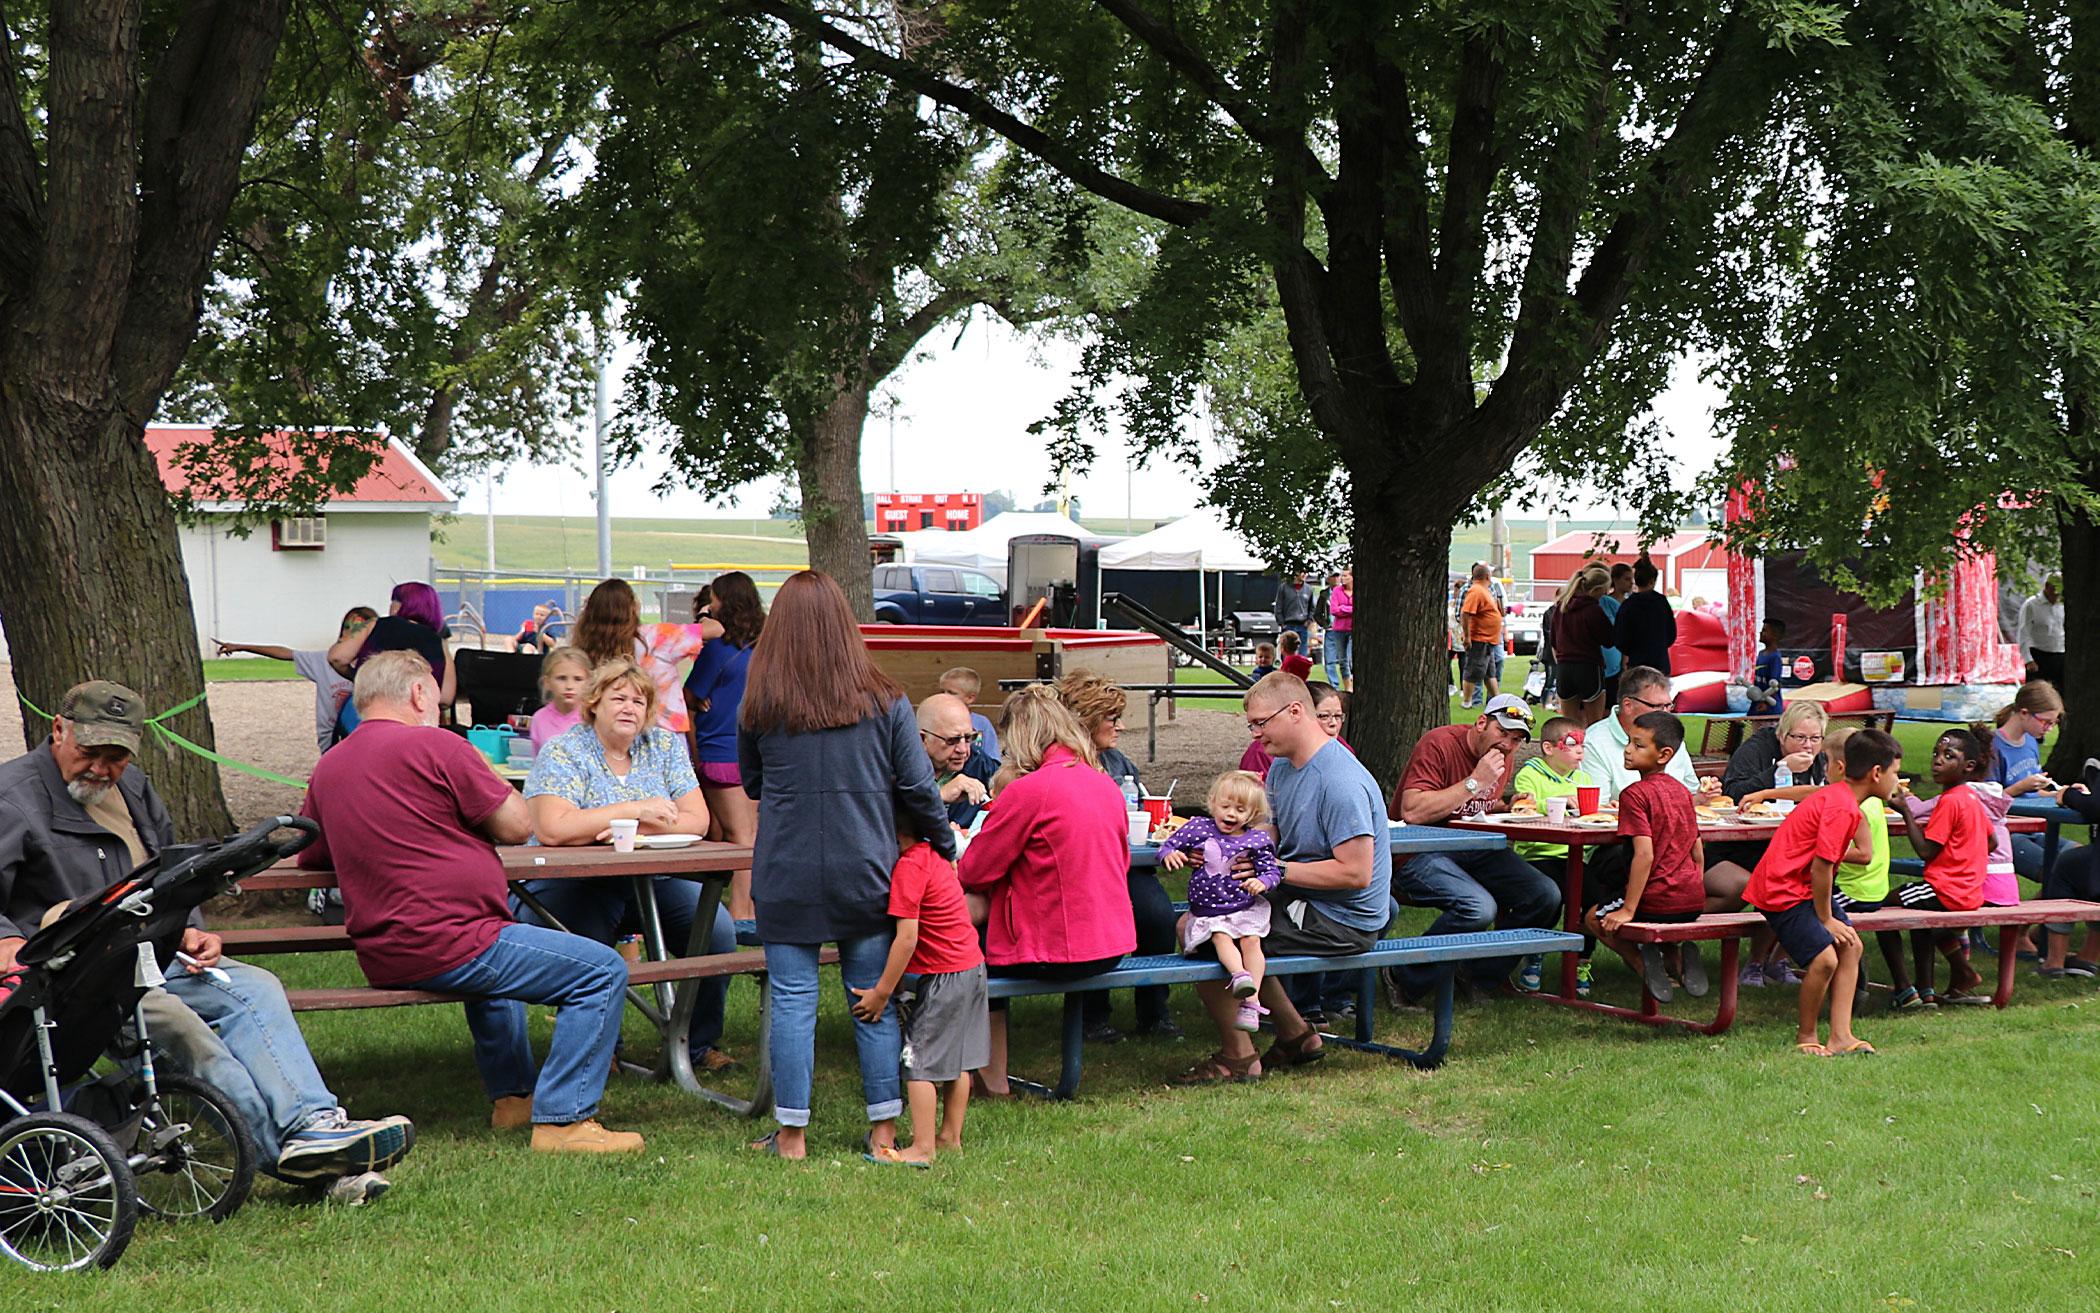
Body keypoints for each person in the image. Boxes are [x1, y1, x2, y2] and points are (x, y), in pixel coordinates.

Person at [0, 680, 414, 1201]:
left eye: (117, 757)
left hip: (151, 949)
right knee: (192, 1037)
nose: (102, 769)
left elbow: (172, 869)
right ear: (58, 730)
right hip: (80, 975)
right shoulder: (12, 797)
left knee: (257, 988)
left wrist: (190, 924)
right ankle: (304, 1161)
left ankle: (317, 1123)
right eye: (90, 752)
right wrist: (7, 939)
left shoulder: (134, 790)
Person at [301, 652, 641, 1154]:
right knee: (602, 971)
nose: (438, 704)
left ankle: (514, 1100)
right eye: (435, 694)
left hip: (384, 948)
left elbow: (312, 852)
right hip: (456, 939)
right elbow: (517, 825)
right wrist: (482, 772)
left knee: (495, 970)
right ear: (418, 694)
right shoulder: (439, 745)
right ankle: (565, 1121)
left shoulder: (330, 766)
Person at [739, 570, 954, 1160]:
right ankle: (883, 1129)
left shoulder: (761, 703)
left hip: (786, 869)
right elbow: (917, 785)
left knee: (791, 999)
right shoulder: (886, 701)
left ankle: (791, 1136)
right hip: (868, 868)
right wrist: (944, 843)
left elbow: (754, 785)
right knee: (871, 997)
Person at [521, 659, 736, 1073]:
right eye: (618, 698)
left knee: (716, 931)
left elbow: (697, 820)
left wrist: (615, 824)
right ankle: (603, 1049)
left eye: (639, 701)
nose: (629, 708)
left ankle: (695, 1044)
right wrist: (636, 809)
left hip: (650, 878)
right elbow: (553, 828)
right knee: (592, 942)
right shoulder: (564, 750)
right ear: (594, 703)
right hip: (573, 883)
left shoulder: (664, 746)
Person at [1177, 674, 1392, 1083]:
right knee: (1216, 921)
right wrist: (1223, 850)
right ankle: (1295, 1036)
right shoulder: (1282, 768)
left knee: (1200, 931)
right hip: (1303, 900)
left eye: (1261, 723)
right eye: (1251, 726)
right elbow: (1272, 836)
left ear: (1295, 712)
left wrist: (1276, 871)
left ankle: (1238, 1057)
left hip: (1344, 920)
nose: (1256, 735)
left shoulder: (1340, 781)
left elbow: (1356, 872)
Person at [959, 685, 1135, 1096]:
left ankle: (991, 1075)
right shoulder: (1104, 784)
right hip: (1110, 944)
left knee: (971, 941)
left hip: (1057, 950)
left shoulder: (1029, 790)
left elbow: (975, 868)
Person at [1740, 728, 1901, 1056]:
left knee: (1851, 947)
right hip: (1782, 891)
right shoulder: (1843, 807)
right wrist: (1826, 919)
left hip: (1801, 889)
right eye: (1896, 773)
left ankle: (1842, 1035)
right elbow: (1821, 868)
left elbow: (1811, 794)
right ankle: (1807, 1036)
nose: (1897, 782)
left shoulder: (1844, 797)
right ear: (1876, 773)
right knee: (1825, 958)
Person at [1391, 694, 1562, 995]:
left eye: (1516, 739)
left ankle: (1474, 975)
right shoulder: (1439, 744)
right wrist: (1474, 781)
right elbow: (1413, 811)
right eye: (1502, 733)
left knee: (1544, 894)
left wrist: (1505, 805)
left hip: (1469, 846)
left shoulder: (1501, 758)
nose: (1507, 745)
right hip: (1417, 848)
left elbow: (1474, 805)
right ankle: (1404, 976)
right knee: (1479, 908)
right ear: (1481, 722)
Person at [1055, 671, 1179, 1040]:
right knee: (1095, 916)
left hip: (1129, 865)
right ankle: (1092, 1015)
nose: (1121, 726)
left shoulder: (1119, 764)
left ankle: (1154, 1011)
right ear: (1086, 719)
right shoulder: (1060, 763)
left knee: (1158, 916)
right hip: (1082, 872)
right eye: (1112, 718)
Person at [851, 836, 989, 1167]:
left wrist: (882, 992)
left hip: (944, 977)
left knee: (918, 1063)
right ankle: (950, 1138)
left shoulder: (909, 868)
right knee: (958, 1061)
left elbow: (907, 939)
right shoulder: (935, 856)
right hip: (973, 967)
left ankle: (922, 1148)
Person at [1588, 713, 1711, 1002]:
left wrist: (1629, 909)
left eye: (1638, 745)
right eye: (1629, 742)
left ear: (1664, 754)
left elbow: (1644, 855)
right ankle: (1677, 961)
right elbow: (1697, 850)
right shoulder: (1682, 792)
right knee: (1662, 914)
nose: (1628, 750)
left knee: (1594, 918)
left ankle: (1646, 966)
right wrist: (1694, 887)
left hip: (1657, 899)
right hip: (1692, 901)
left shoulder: (1634, 795)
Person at [1158, 771, 1283, 1031]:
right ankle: (1239, 975)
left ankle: (1252, 1001)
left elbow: (1270, 871)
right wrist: (1170, 855)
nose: (1231, 814)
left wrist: (1263, 882)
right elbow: (1169, 844)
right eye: (1225, 806)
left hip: (1244, 906)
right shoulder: (1199, 828)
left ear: (1252, 815)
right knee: (1220, 935)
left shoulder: (1257, 840)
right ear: (1213, 802)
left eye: (1240, 809)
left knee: (1252, 941)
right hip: (1210, 911)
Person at [1890, 728, 1995, 1005]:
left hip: (1945, 890)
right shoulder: (1971, 798)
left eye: (1949, 756)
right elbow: (1992, 842)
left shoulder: (1949, 802)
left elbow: (1925, 850)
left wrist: (1906, 813)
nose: (1937, 761)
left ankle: (1906, 989)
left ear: (1968, 766)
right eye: (1935, 754)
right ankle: (1927, 990)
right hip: (1970, 890)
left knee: (1883, 907)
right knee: (1920, 919)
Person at [685, 572, 765, 916]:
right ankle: (748, 908)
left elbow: (689, 695)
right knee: (751, 835)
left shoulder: (717, 649)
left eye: (714, 599)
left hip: (719, 752)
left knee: (738, 838)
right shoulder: (764, 646)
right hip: (756, 754)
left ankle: (739, 912)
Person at [1819, 725, 1911, 1005]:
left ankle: (1768, 964)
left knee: (1803, 903)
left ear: (1838, 767)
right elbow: (1811, 792)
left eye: (1824, 763)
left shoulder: (1856, 805)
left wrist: (1827, 850)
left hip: (1856, 890)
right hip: (1873, 889)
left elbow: (1864, 855)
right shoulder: (1869, 799)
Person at [213, 605, 375, 753]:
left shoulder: (377, 665)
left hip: (363, 736)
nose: (349, 635)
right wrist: (241, 647)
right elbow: (286, 653)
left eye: (358, 630)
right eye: (347, 628)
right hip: (331, 739)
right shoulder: (322, 661)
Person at [1510, 716, 1592, 995]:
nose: (1580, 751)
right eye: (1571, 744)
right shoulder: (1529, 775)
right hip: (1538, 853)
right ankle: (1535, 955)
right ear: (1548, 748)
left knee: (1591, 898)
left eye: (1583, 745)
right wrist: (1550, 803)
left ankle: (1582, 960)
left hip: (1575, 854)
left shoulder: (1583, 778)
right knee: (1551, 895)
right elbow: (1524, 804)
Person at [575, 577, 706, 738]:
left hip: (611, 733)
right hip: (664, 731)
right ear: (632, 608)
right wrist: (705, 614)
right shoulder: (656, 636)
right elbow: (716, 630)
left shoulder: (583, 647)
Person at [1577, 666, 1705, 803]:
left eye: (1668, 706)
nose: (1666, 713)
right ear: (1628, 705)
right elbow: (1596, 809)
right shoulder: (1594, 742)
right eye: (1658, 707)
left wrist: (1704, 795)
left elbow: (1691, 793)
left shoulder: (1669, 736)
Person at [328, 580, 455, 715]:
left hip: (372, 714)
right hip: (414, 720)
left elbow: (337, 657)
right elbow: (446, 698)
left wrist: (360, 677)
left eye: (394, 600)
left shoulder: (376, 625)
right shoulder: (438, 642)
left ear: (398, 606)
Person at [1990, 681, 2069, 881]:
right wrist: (2020, 787)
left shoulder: (2030, 742)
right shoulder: (1992, 747)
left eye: (2054, 723)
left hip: (2035, 827)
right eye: (2046, 722)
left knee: (2078, 862)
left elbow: (2032, 795)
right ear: (2024, 713)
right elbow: (1985, 803)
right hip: (2005, 831)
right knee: (2055, 872)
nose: (2049, 728)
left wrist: (2061, 794)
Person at [919, 692, 997, 828]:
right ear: (923, 739)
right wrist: (938, 797)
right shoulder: (896, 769)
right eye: (952, 740)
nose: (963, 749)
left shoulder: (980, 764)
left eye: (968, 738)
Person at [1552, 567, 1614, 727]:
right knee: (1595, 724)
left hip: (1564, 669)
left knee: (1569, 723)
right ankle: (1591, 751)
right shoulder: (1593, 609)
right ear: (1598, 589)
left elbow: (1553, 640)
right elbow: (1609, 639)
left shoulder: (1562, 607)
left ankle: (1570, 750)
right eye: (1606, 590)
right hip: (1588, 668)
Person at [1613, 554, 1676, 675]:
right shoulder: (1662, 603)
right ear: (1653, 581)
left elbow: (1620, 638)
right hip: (1660, 663)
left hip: (1637, 663)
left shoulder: (1628, 605)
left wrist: (1631, 651)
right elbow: (1671, 634)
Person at [1459, 563, 1504, 709]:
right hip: (1479, 639)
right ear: (1487, 576)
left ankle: (1497, 701)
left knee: (1490, 673)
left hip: (1488, 640)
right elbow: (1466, 613)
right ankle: (1467, 701)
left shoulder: (1485, 591)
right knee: (1473, 670)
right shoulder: (1476, 591)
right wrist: (1467, 636)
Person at [527, 645, 589, 751]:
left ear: (589, 682)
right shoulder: (539, 718)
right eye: (562, 678)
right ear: (547, 682)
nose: (569, 686)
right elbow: (537, 761)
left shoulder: (593, 718)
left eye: (578, 679)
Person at [938, 666, 1002, 763]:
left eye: (951, 693)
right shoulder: (935, 720)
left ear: (970, 698)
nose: (944, 696)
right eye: (942, 692)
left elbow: (993, 761)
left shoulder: (982, 724)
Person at [2018, 574, 2065, 687]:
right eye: (2055, 589)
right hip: (2039, 656)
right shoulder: (2032, 605)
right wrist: (2028, 660)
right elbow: (2023, 633)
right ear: (2047, 586)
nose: (2057, 594)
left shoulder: (2063, 604)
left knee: (2059, 693)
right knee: (2037, 694)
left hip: (2060, 656)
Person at [1599, 562, 1633, 707]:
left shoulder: (1630, 604)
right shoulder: (1605, 603)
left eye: (1632, 579)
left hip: (1621, 661)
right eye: (1626, 579)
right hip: (1604, 660)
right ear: (1615, 580)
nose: (1631, 583)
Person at [1323, 568, 1355, 692]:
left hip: (1352, 628)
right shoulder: (1337, 591)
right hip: (1339, 629)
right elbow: (1334, 610)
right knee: (1342, 660)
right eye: (1342, 575)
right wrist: (1350, 610)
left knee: (1352, 658)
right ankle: (1348, 686)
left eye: (1346, 575)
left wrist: (1344, 609)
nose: (1342, 578)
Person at [1748, 618, 1788, 713]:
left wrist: (1766, 703)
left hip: (1770, 706)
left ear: (1775, 636)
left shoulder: (1775, 657)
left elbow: (1775, 685)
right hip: (1757, 703)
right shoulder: (1761, 654)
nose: (1761, 633)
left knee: (1766, 728)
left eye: (1765, 631)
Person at [1273, 572, 1314, 649]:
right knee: (1287, 651)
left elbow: (1312, 608)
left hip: (1303, 625)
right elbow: (1278, 606)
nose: (1305, 575)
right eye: (1302, 572)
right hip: (1288, 625)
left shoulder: (1309, 589)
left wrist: (1309, 621)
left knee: (1302, 653)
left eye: (1306, 573)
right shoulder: (1284, 587)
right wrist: (1281, 623)